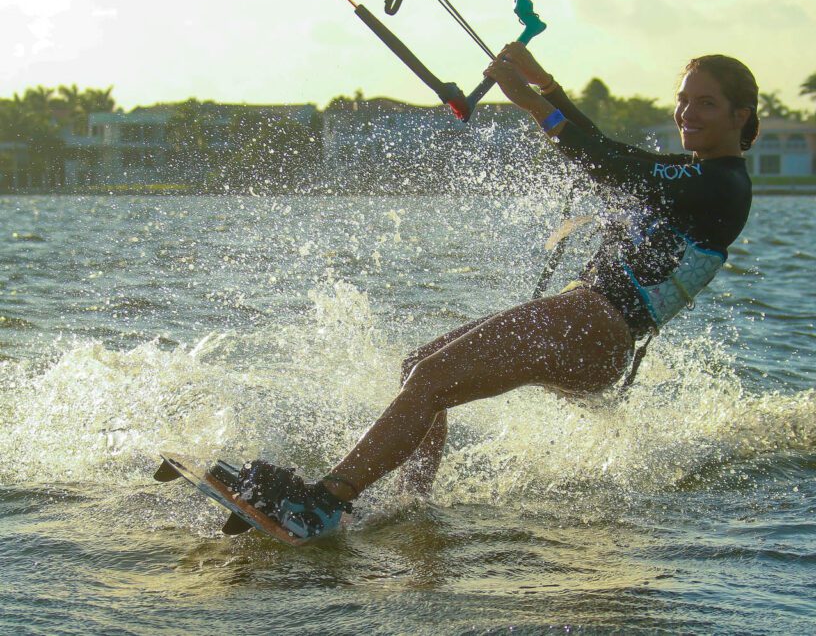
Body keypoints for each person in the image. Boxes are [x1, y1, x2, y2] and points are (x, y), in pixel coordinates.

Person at [229, 44, 759, 540]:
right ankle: (410, 507)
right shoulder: (690, 172)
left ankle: (322, 503)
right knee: (421, 366)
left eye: (706, 103)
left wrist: (529, 102)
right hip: (591, 331)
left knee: (431, 378)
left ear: (740, 115)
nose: (688, 112)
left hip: (595, 324)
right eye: (683, 100)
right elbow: (603, 147)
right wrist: (543, 83)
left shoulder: (722, 185)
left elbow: (605, 161)